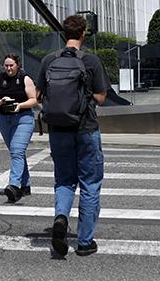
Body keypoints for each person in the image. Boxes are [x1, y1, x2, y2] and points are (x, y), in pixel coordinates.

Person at [36, 14, 108, 259]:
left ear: (63, 34)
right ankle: (85, 242)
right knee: (89, 183)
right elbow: (100, 97)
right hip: (86, 128)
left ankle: (61, 218)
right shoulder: (91, 61)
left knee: (64, 180)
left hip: (58, 130)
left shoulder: (49, 60)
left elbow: (38, 96)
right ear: (84, 34)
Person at [0, 53, 38, 203]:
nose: (9, 68)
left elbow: (34, 99)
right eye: (6, 65)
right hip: (4, 119)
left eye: (11, 65)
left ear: (18, 65)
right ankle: (25, 185)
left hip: (23, 119)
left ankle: (14, 186)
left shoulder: (25, 78)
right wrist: (0, 102)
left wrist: (20, 105)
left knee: (17, 151)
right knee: (17, 153)